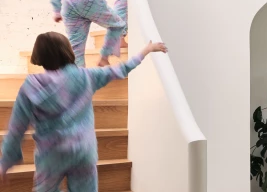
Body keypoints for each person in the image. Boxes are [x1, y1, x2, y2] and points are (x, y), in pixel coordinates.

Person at [0, 32, 167, 191]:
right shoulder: (86, 77)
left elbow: (17, 128)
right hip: (84, 151)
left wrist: (6, 162)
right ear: (67, 51)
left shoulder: (31, 86)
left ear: (39, 55)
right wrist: (146, 50)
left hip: (51, 155)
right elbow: (121, 69)